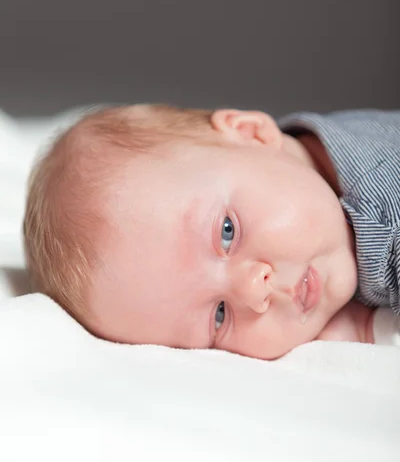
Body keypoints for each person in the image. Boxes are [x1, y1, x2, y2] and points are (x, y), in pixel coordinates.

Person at [23, 104, 400, 359]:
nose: (256, 291)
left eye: (226, 232)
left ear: (250, 132)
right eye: (219, 316)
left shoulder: (387, 216)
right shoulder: (311, 165)